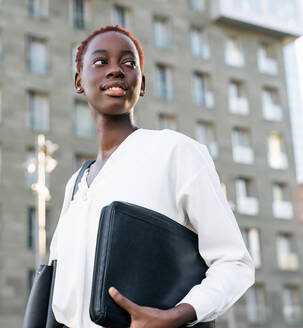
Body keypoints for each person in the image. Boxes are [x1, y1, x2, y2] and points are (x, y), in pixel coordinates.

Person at [48, 25, 255, 328]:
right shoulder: (76, 183)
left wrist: (177, 315)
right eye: (101, 61)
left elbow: (235, 263)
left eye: (129, 63)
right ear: (79, 81)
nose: (116, 70)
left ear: (141, 84)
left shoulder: (175, 151)